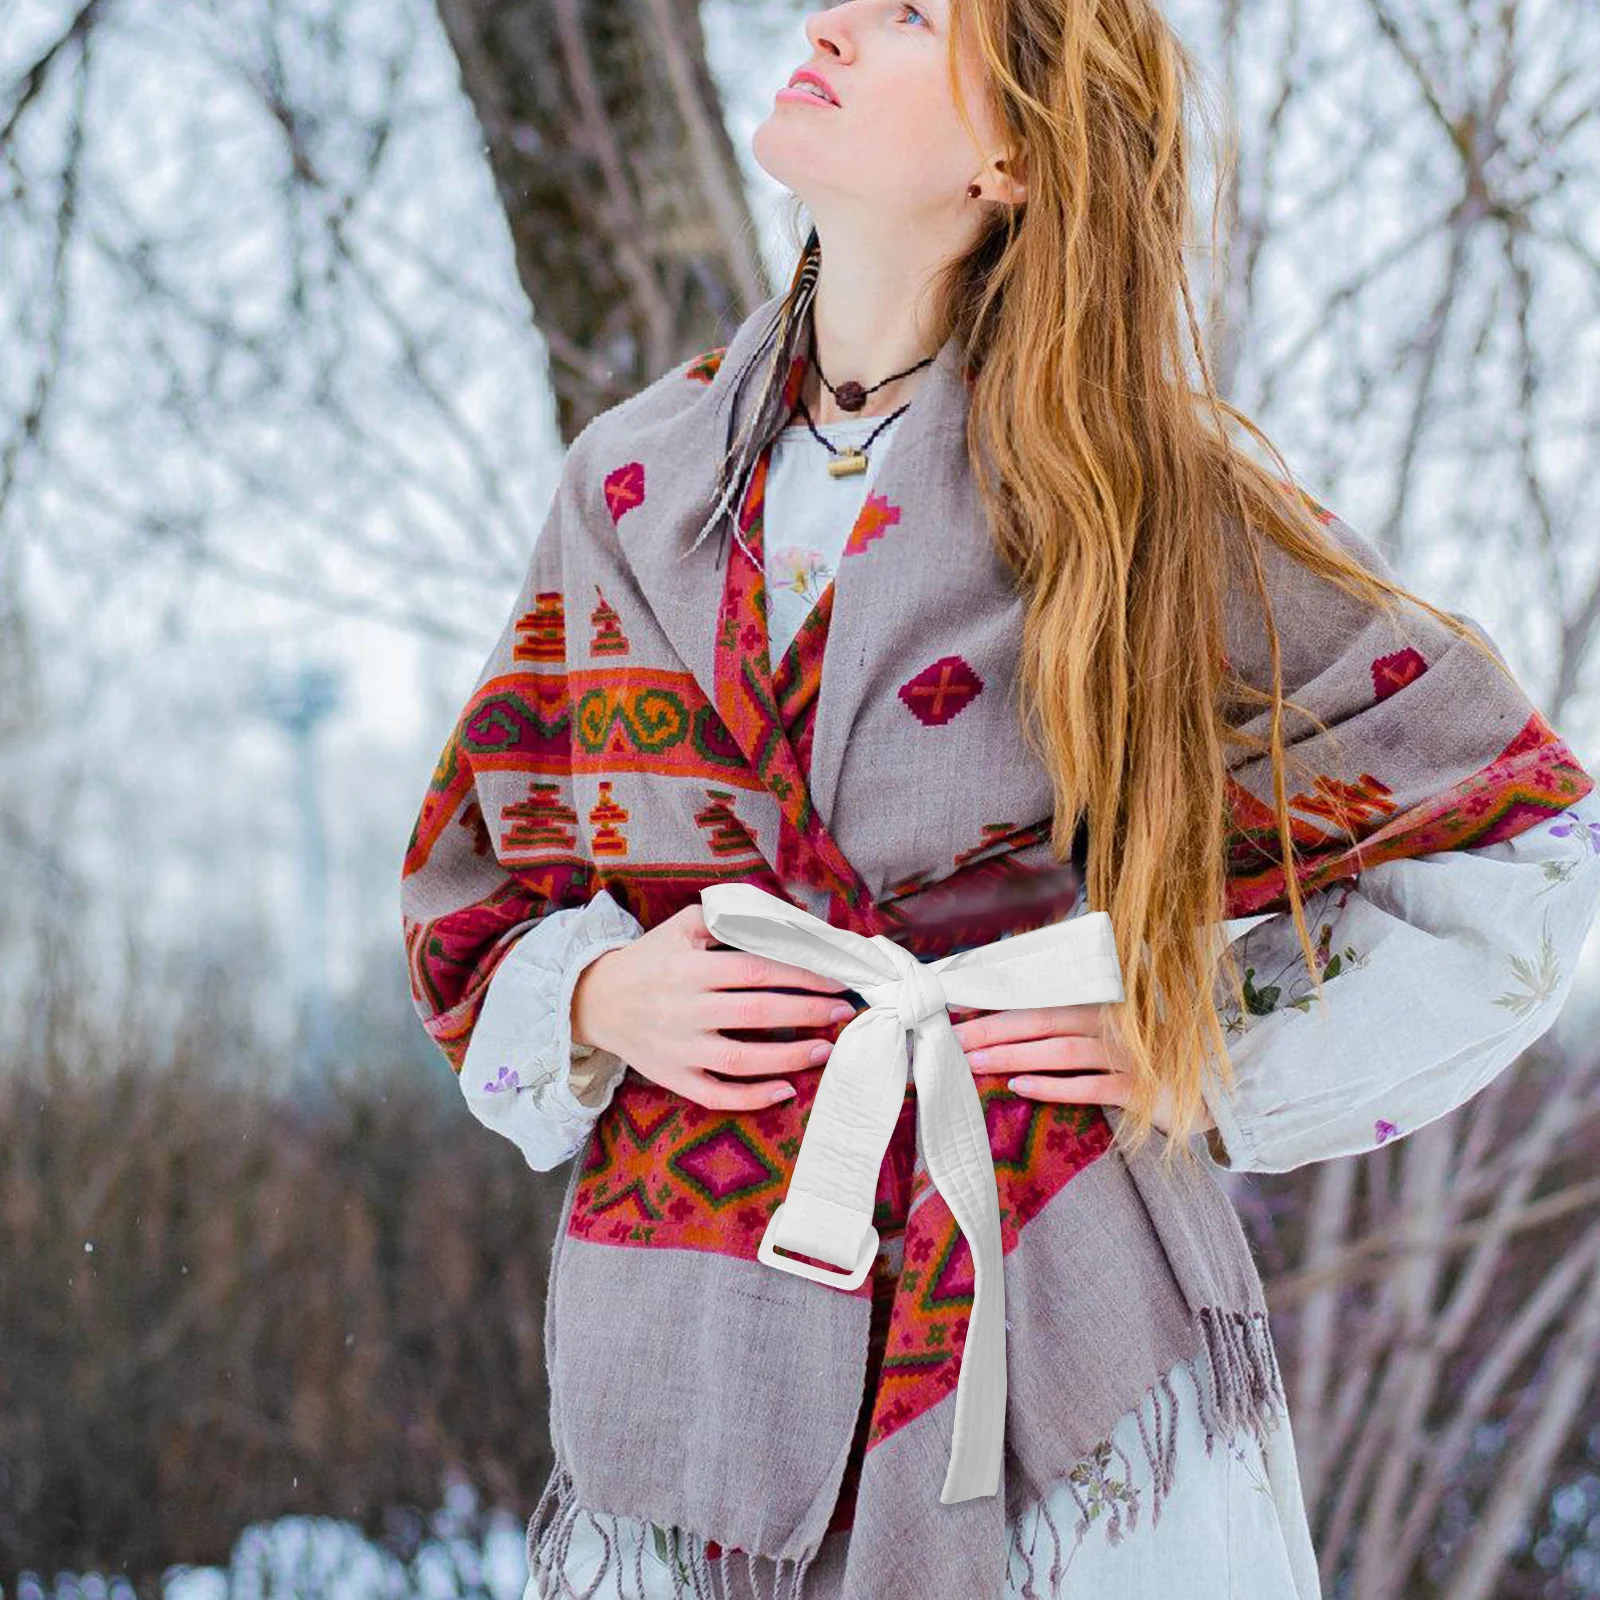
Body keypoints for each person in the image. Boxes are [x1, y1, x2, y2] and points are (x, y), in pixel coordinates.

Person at [400, 2, 1600, 1596]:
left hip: (1086, 1386)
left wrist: (1206, 1035)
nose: (828, 20)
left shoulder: (1144, 495)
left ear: (1014, 152)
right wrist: (607, 992)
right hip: (690, 1390)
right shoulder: (633, 485)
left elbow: (1519, 841)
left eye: (909, 13)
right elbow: (478, 892)